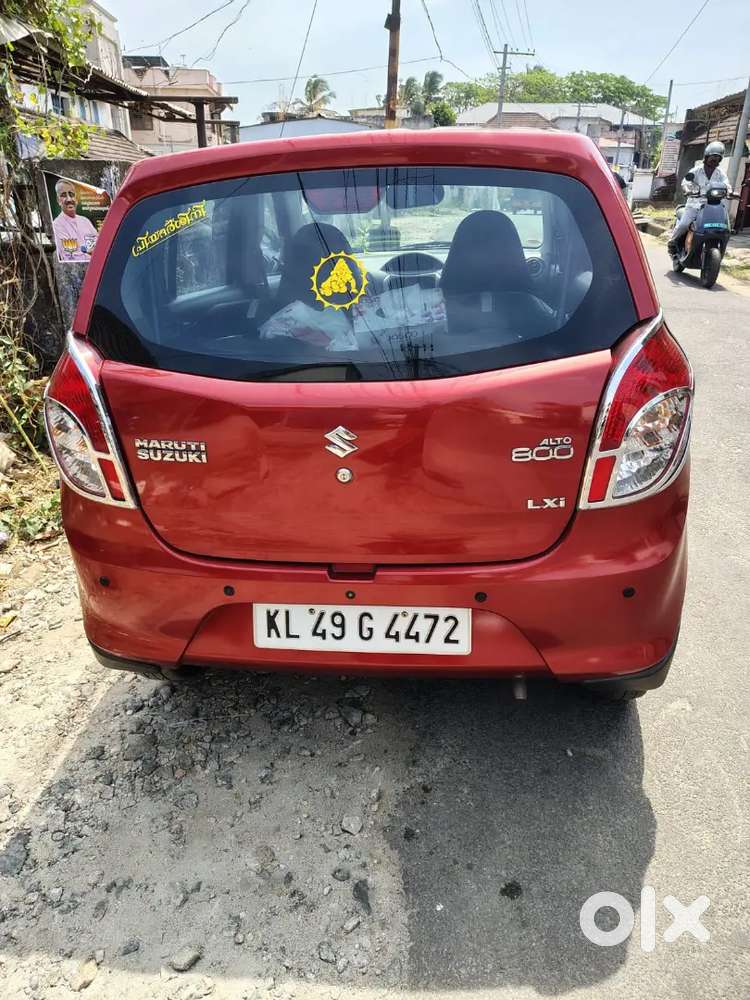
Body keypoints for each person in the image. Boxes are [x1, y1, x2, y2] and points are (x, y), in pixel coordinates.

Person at [668, 141, 731, 255]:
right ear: (706, 157)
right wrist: (687, 189)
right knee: (684, 224)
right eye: (713, 157)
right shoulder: (696, 170)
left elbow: (726, 184)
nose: (715, 160)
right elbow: (685, 182)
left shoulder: (720, 173)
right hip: (694, 204)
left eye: (718, 158)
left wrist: (730, 192)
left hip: (712, 206)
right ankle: (672, 242)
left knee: (721, 226)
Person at [51, 178, 99, 262]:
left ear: (76, 199)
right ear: (58, 200)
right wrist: (90, 252)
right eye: (63, 195)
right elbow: (70, 256)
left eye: (71, 194)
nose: (69, 199)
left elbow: (100, 245)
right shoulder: (57, 225)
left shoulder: (85, 221)